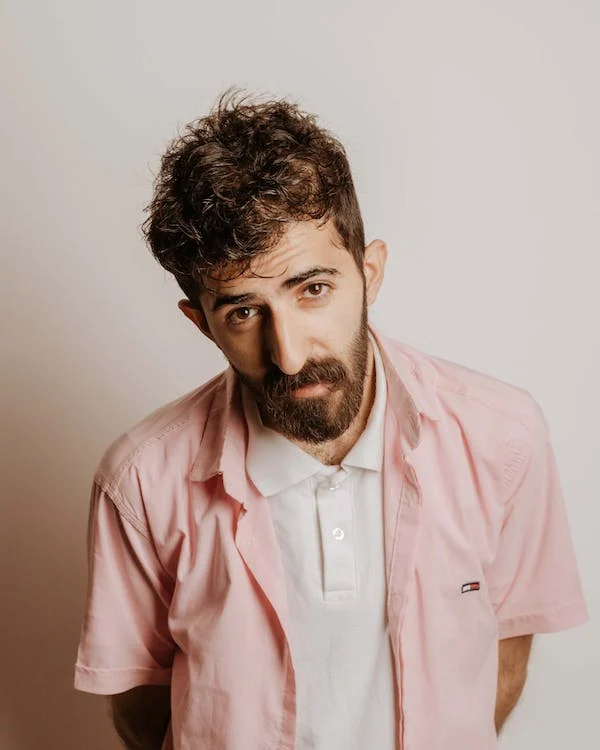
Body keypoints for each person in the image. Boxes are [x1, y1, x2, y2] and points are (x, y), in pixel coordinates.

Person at [73, 88, 589, 750]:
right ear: (200, 323)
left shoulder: (503, 438)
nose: (289, 354)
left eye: (313, 289)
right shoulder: (141, 481)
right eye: (243, 312)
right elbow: (141, 702)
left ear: (369, 273)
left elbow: (504, 652)